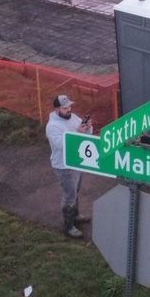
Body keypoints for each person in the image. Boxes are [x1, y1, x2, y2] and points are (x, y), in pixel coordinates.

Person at [45, 94, 93, 238]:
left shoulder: (74, 118)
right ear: (57, 109)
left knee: (75, 190)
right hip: (64, 166)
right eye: (65, 108)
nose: (69, 109)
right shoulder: (52, 126)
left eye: (69, 106)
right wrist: (78, 132)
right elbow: (61, 145)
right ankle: (69, 226)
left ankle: (76, 215)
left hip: (77, 161)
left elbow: (86, 135)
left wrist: (88, 128)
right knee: (69, 195)